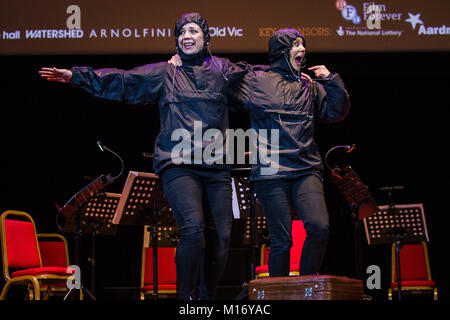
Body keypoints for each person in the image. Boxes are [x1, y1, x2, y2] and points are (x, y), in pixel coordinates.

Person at [39, 12, 249, 300]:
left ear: (205, 37)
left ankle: (207, 299)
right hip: (178, 164)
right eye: (181, 33)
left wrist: (291, 78)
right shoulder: (166, 72)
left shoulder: (223, 70)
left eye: (192, 31)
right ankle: (185, 301)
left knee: (222, 237)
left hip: (216, 164)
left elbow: (259, 81)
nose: (186, 36)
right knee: (191, 227)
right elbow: (123, 81)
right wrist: (77, 77)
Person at [230, 29, 351, 277]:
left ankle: (305, 288)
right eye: (295, 44)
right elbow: (222, 85)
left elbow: (336, 112)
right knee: (281, 240)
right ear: (281, 50)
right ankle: (279, 294)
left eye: (302, 44)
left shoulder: (309, 85)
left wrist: (332, 80)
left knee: (319, 228)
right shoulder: (257, 79)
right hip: (271, 170)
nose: (302, 49)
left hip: (305, 167)